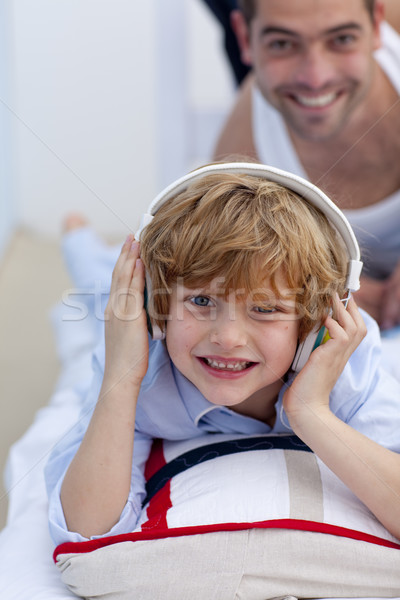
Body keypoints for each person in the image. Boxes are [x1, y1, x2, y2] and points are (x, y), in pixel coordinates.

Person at [44, 162, 400, 598]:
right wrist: (122, 374)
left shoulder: (345, 365)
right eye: (200, 300)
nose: (227, 338)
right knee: (102, 282)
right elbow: (86, 529)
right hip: (125, 310)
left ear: (313, 325)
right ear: (154, 311)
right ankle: (77, 236)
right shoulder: (139, 367)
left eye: (265, 309)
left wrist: (310, 413)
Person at [213, 0, 400, 333]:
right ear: (244, 38)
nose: (316, 77)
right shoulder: (240, 159)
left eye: (341, 39)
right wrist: (310, 291)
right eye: (283, 43)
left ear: (376, 25)